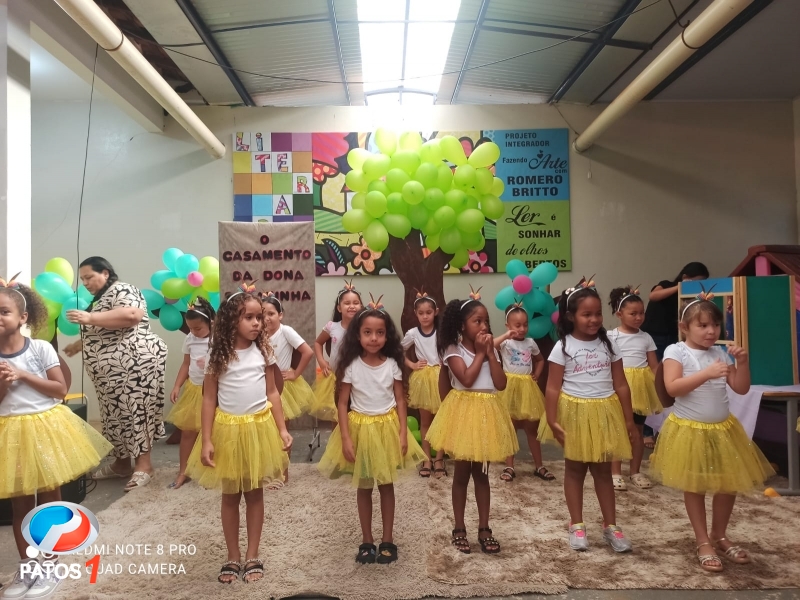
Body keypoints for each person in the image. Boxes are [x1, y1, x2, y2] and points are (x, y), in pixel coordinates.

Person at [0, 275, 112, 599]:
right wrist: (5, 384)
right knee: (20, 505)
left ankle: (51, 564)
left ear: (23, 318)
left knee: (49, 501)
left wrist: (21, 374)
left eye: (4, 311)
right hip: (10, 433)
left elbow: (60, 389)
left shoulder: (38, 349)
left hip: (45, 429)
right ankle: (28, 567)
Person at [649, 292, 774, 572]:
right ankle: (702, 539)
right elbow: (672, 387)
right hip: (690, 431)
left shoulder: (718, 352)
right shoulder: (676, 351)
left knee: (727, 484)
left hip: (723, 430)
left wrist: (741, 363)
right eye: (702, 325)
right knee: (696, 486)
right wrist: (706, 374)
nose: (710, 331)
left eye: (715, 326)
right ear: (684, 327)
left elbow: (740, 388)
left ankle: (720, 535)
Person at [185, 284, 292, 584]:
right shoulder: (218, 353)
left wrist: (282, 429)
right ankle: (232, 555)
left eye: (260, 318)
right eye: (249, 317)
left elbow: (273, 392)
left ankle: (252, 554)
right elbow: (209, 398)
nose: (258, 323)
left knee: (255, 494)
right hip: (228, 431)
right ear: (232, 320)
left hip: (259, 429)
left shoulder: (264, 351)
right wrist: (206, 439)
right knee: (231, 496)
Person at [318, 297, 426, 564]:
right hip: (360, 429)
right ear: (357, 334)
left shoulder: (392, 364)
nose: (374, 338)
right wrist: (344, 437)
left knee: (386, 484)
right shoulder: (351, 365)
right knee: (364, 486)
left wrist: (403, 432)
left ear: (387, 336)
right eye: (367, 332)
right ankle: (367, 540)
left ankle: (387, 539)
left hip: (387, 428)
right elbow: (342, 403)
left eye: (380, 333)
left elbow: (401, 400)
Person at [543, 277, 637, 553]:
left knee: (603, 471)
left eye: (598, 313)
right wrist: (551, 419)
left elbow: (621, 384)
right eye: (587, 314)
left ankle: (611, 526)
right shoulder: (563, 347)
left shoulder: (609, 345)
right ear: (571, 316)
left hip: (604, 412)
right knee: (574, 470)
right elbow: (552, 388)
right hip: (575, 413)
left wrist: (629, 420)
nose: (594, 319)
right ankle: (577, 524)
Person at [64, 256, 168, 491]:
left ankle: (144, 466)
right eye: (83, 279)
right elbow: (103, 330)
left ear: (106, 274)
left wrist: (90, 317)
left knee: (137, 413)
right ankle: (121, 464)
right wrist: (78, 344)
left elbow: (132, 316)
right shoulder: (99, 300)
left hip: (135, 368)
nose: (86, 283)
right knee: (114, 418)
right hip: (110, 376)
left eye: (89, 277)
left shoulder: (122, 289)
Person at [427, 288, 516, 555]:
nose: (484, 326)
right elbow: (465, 379)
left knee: (483, 475)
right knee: (462, 475)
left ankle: (485, 527)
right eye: (477, 321)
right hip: (464, 414)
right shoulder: (453, 350)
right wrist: (479, 354)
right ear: (461, 325)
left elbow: (500, 384)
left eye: (486, 321)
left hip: (487, 415)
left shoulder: (491, 351)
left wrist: (490, 354)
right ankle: (459, 527)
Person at [641, 262, 709, 448]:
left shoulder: (691, 297)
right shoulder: (666, 284)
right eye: (695, 280)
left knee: (669, 381)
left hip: (674, 338)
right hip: (654, 336)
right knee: (652, 381)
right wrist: (678, 287)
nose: (697, 284)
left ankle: (664, 429)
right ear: (685, 276)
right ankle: (647, 431)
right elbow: (653, 295)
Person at [607, 287, 660, 491]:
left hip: (640, 390)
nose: (638, 317)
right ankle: (615, 472)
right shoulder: (612, 336)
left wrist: (662, 384)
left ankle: (635, 471)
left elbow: (654, 365)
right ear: (619, 314)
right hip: (619, 387)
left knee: (637, 431)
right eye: (633, 313)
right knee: (618, 431)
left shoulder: (646, 337)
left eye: (641, 312)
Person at [495, 303, 554, 483]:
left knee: (531, 428)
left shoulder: (530, 343)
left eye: (525, 325)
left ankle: (539, 465)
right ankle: (509, 465)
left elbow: (540, 359)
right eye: (517, 325)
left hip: (528, 389)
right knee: (510, 427)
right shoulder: (505, 342)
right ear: (508, 326)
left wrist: (536, 373)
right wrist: (506, 335)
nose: (522, 329)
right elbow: (489, 345)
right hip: (509, 388)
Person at [262, 291, 315, 486]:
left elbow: (307, 351)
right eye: (263, 314)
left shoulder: (286, 331)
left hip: (283, 387)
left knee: (283, 430)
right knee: (266, 430)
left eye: (271, 313)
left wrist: (295, 373)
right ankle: (268, 468)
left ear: (280, 315)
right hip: (263, 385)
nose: (266, 318)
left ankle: (283, 472)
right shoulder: (257, 333)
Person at [166, 297, 215, 490]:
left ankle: (211, 471)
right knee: (188, 432)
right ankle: (183, 472)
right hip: (194, 390)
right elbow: (186, 364)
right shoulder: (190, 339)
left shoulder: (218, 339)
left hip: (214, 392)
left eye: (198, 328)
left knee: (213, 433)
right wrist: (177, 385)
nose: (194, 332)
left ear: (210, 323)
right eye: (190, 328)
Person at [401, 290, 446, 478]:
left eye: (429, 312)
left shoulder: (442, 332)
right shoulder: (413, 333)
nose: (425, 316)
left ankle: (440, 459)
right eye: (421, 313)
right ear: (415, 313)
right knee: (425, 421)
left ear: (435, 312)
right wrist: (411, 364)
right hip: (423, 379)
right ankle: (427, 458)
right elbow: (398, 350)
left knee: (442, 420)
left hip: (441, 377)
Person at [311, 281, 363, 421]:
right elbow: (317, 342)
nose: (352, 306)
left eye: (356, 302)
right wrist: (321, 361)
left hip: (359, 378)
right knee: (338, 416)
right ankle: (338, 442)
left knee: (356, 414)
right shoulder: (332, 327)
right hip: (336, 378)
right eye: (347, 303)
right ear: (339, 308)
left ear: (361, 307)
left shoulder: (365, 329)